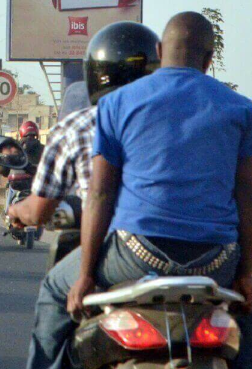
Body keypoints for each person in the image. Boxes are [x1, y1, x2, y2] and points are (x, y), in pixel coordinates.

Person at [18, 12, 252, 369]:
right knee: (246, 302)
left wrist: (85, 276)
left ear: (159, 53)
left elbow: (100, 194)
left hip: (134, 256)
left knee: (53, 290)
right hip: (215, 260)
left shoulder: (118, 104)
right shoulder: (240, 109)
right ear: (210, 59)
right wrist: (244, 273)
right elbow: (247, 199)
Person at [9, 21, 157, 229]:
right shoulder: (177, 123)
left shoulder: (78, 126)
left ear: (96, 72)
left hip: (125, 246)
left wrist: (16, 211)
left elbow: (40, 209)